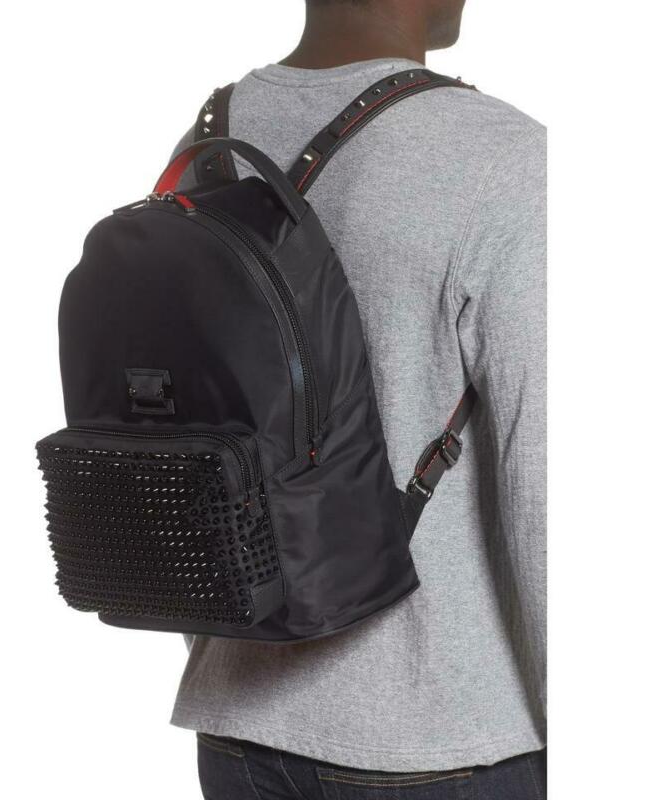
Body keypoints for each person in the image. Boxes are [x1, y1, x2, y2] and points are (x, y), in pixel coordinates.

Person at [170, 1, 547, 797]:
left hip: (235, 728)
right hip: (441, 741)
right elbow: (545, 486)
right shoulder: (505, 157)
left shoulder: (209, 138)